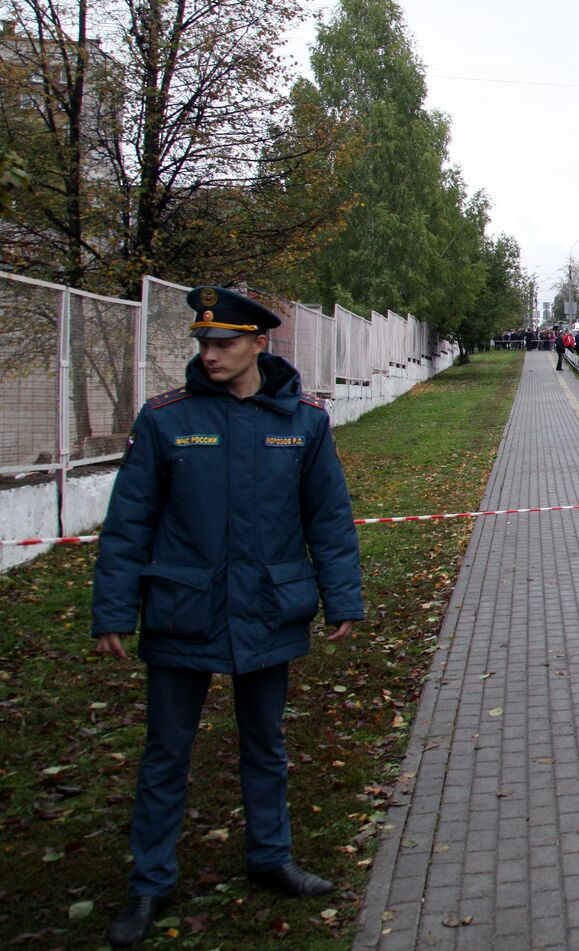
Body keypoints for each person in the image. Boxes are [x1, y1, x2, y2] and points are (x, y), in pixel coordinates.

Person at [91, 286, 363, 947]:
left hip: (267, 608)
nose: (209, 354)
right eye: (203, 343)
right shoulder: (166, 419)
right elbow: (129, 523)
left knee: (265, 743)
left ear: (257, 344)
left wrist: (343, 597)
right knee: (166, 751)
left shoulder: (303, 421)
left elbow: (328, 518)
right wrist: (113, 610)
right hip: (183, 610)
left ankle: (271, 856)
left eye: (223, 343)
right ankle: (150, 881)